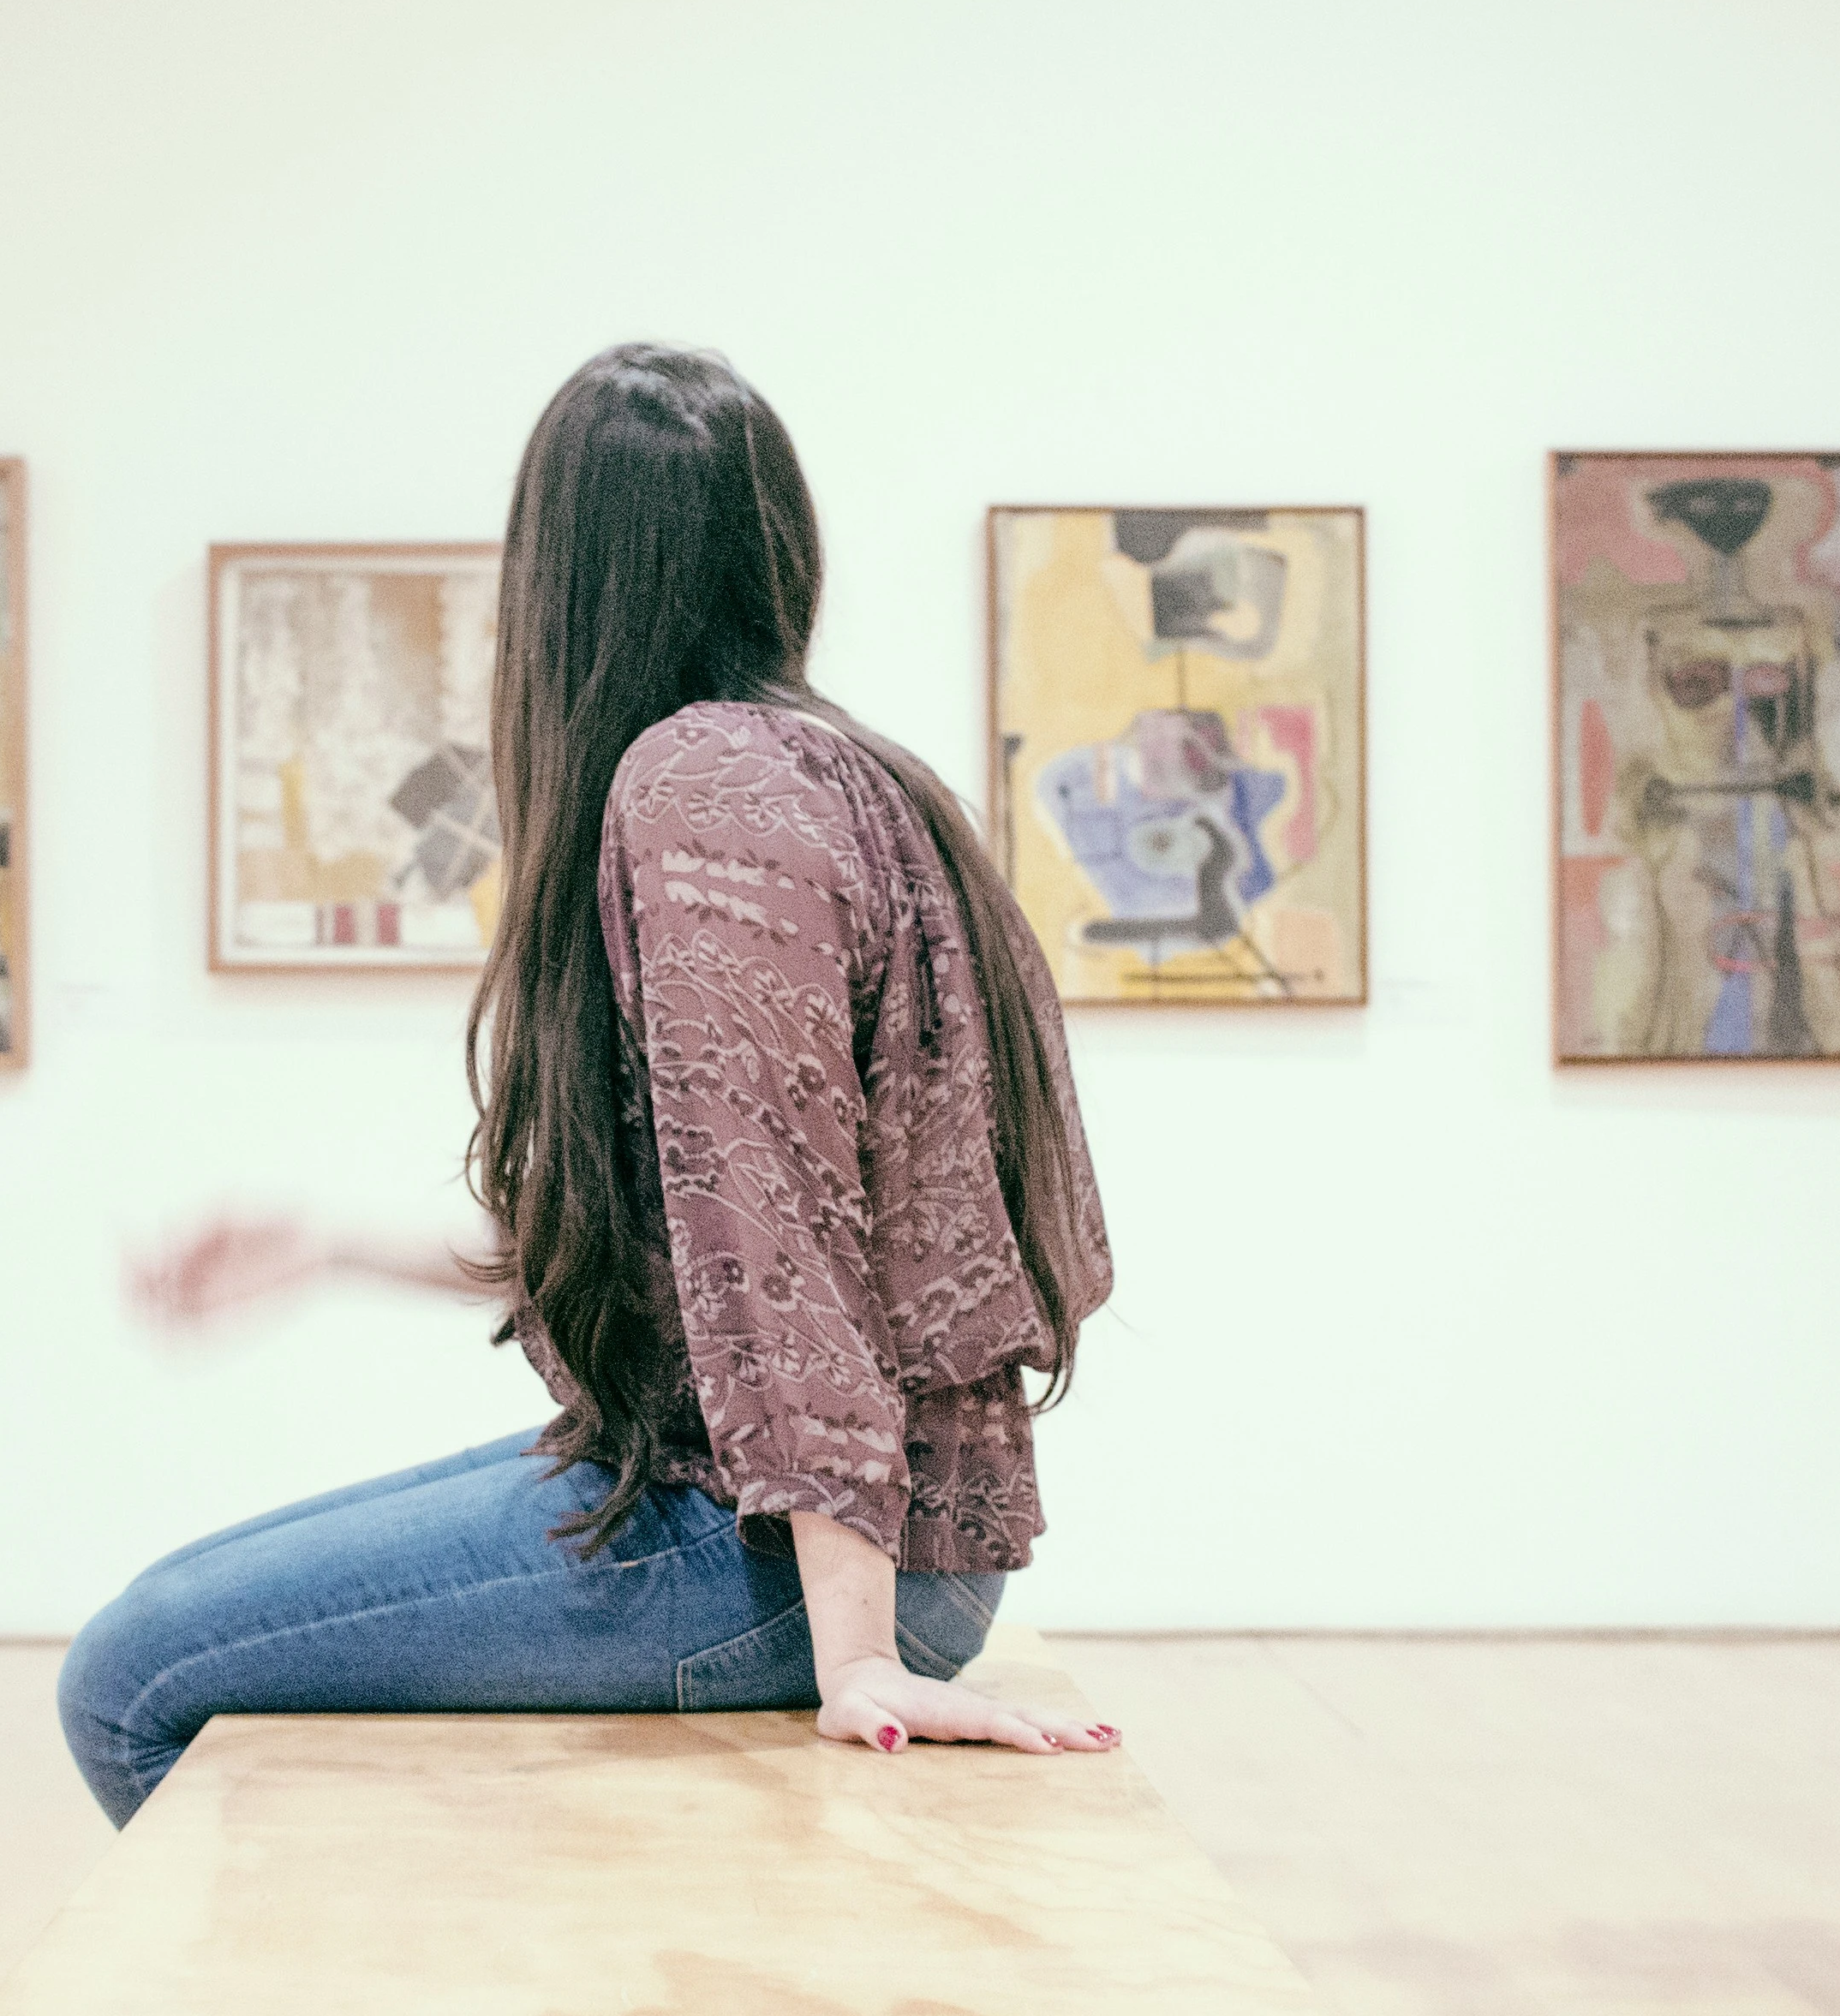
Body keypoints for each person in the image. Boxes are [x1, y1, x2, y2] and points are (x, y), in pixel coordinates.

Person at [57, 345, 1120, 1828]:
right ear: (777, 547)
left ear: (556, 578)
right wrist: (328, 1246)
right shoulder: (845, 771)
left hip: (782, 1558)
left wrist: (862, 1655)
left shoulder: (699, 790)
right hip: (795, 1520)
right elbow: (693, 1242)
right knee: (168, 1618)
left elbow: (776, 1228)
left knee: (131, 1677)